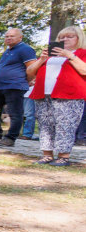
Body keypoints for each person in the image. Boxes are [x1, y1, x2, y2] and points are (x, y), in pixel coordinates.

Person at [26, 26, 86, 166]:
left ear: (78, 38)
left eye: (69, 37)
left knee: (65, 125)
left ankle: (63, 157)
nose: (64, 39)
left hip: (69, 95)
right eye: (61, 37)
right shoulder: (50, 56)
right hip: (44, 94)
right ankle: (47, 155)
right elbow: (30, 72)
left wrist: (70, 56)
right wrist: (41, 59)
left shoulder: (81, 53)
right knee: (45, 125)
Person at [0, 28, 37, 147]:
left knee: (15, 113)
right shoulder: (7, 51)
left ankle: (10, 138)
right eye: (6, 36)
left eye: (12, 36)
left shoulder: (25, 49)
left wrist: (27, 80)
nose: (8, 38)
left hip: (15, 86)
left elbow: (33, 68)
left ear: (20, 37)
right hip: (1, 86)